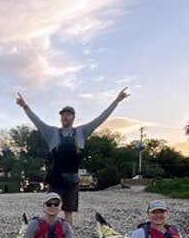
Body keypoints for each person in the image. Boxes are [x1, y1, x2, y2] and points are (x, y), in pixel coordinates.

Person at [16, 88, 130, 226]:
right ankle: (48, 236)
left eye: (68, 114)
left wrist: (116, 101)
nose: (65, 117)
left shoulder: (82, 131)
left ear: (73, 117)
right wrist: (25, 106)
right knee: (51, 209)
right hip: (55, 179)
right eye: (63, 114)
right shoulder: (51, 132)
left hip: (72, 180)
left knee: (68, 211)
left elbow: (101, 118)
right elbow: (36, 120)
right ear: (60, 117)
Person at [19, 192, 83, 238]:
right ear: (43, 207)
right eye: (49, 204)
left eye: (56, 204)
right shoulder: (34, 225)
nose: (52, 206)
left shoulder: (65, 226)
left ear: (60, 207)